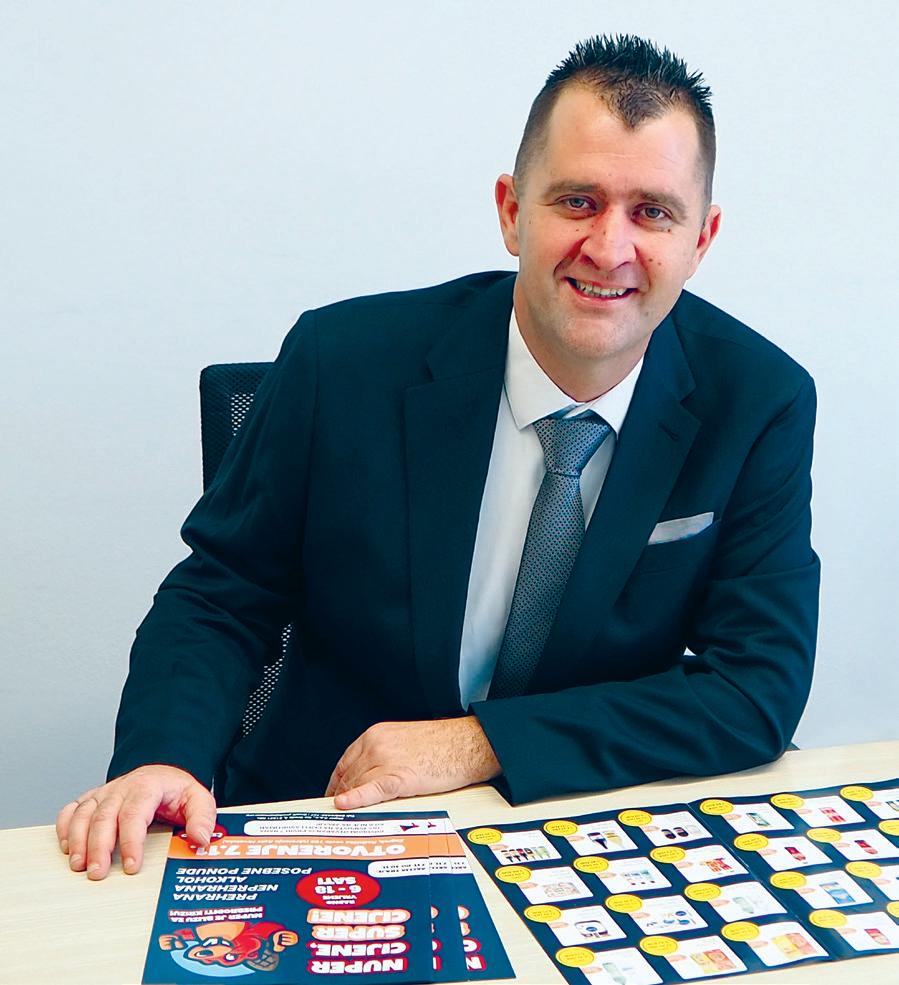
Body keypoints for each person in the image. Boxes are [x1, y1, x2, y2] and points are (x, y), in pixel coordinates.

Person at [57, 34, 819, 880]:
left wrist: (479, 743)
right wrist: (163, 757)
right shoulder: (341, 360)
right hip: (322, 813)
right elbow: (221, 594)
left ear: (700, 239)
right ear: (511, 211)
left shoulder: (758, 402)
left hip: (580, 829)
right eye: (576, 201)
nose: (608, 248)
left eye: (652, 213)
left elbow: (754, 687)